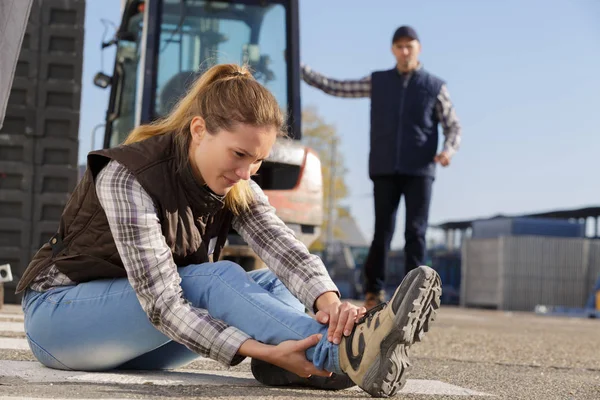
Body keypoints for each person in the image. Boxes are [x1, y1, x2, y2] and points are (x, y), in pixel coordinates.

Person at [16, 63, 441, 398]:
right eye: (238, 154)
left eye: (256, 161)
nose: (245, 172)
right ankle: (341, 355)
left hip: (135, 334)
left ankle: (307, 357)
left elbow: (284, 249)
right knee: (214, 280)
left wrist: (330, 304)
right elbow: (163, 304)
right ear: (199, 130)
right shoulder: (127, 175)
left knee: (276, 284)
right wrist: (258, 346)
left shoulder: (238, 185)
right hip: (61, 323)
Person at [302, 26, 461, 310]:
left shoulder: (435, 87)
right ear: (392, 50)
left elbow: (453, 125)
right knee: (382, 232)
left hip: (419, 170)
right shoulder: (378, 82)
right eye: (398, 46)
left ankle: (415, 294)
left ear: (418, 48)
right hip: (385, 167)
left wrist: (448, 150)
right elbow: (336, 86)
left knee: (416, 231)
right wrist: (300, 69)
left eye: (409, 46)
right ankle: (373, 291)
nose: (404, 51)